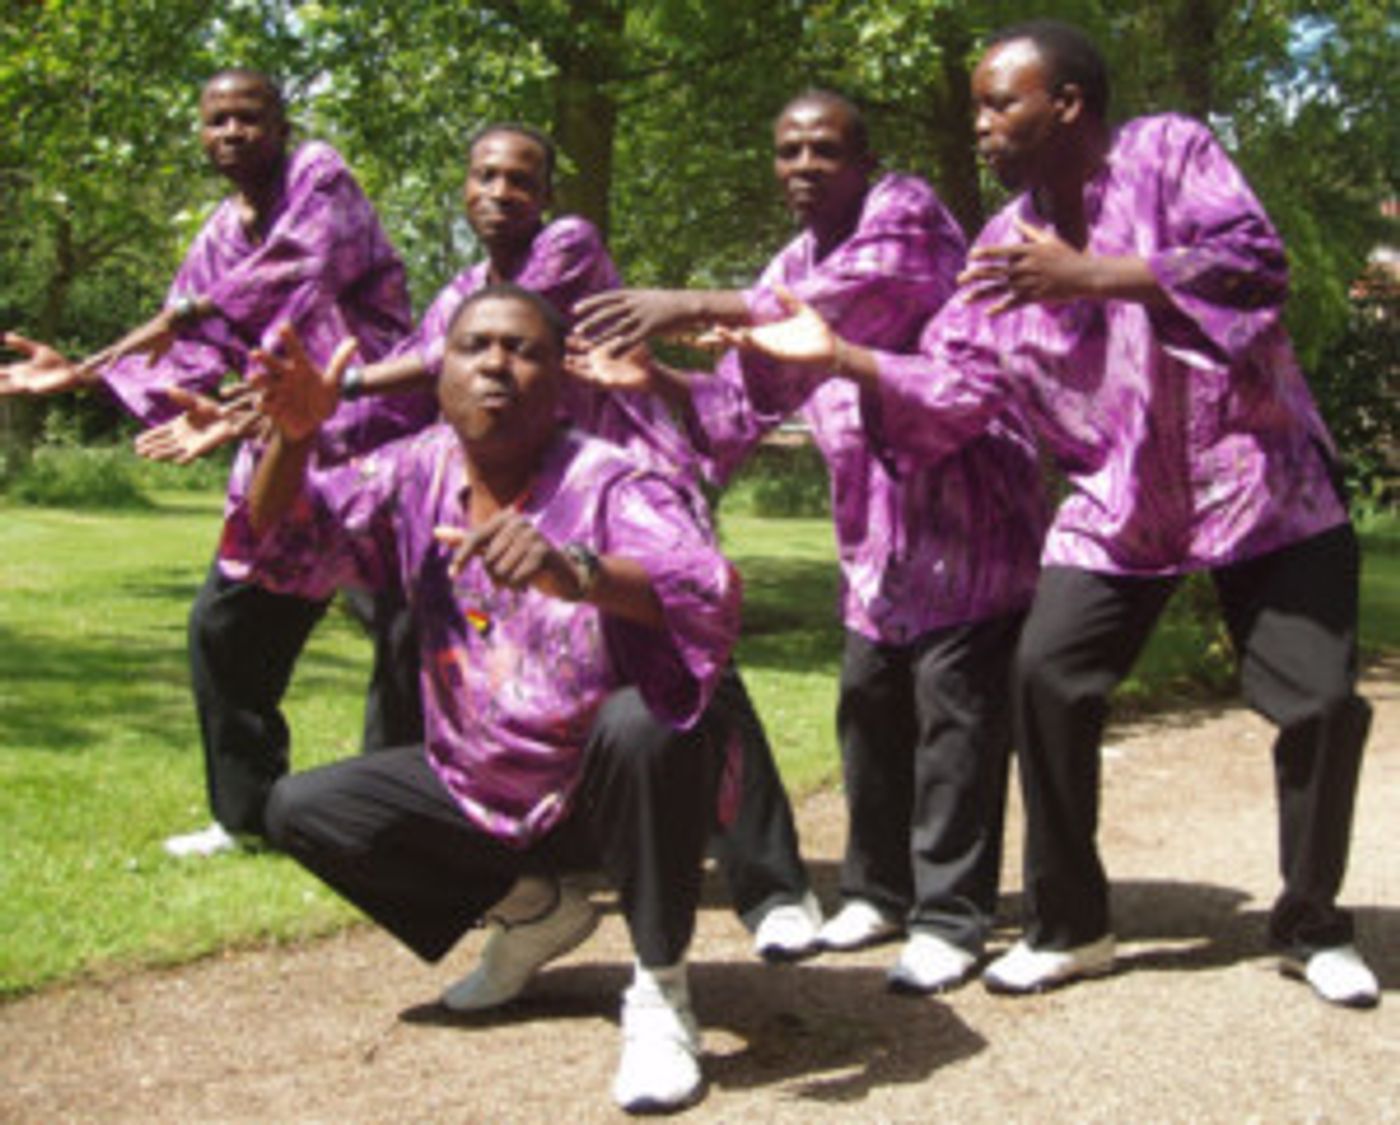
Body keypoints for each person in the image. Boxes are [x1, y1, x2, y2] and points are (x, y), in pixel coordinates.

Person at [713, 22, 1379, 1009]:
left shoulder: (1165, 150)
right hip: (1119, 503)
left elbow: (1251, 267)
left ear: (1063, 104)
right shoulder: (993, 248)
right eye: (978, 106)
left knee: (1318, 703)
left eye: (997, 102)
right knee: (1045, 674)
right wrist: (841, 359)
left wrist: (1091, 276)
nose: (978, 123)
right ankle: (1073, 925)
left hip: (1260, 483)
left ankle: (1309, 925)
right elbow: (955, 383)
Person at [575, 89, 1047, 993]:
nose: (802, 166)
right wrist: (659, 381)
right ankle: (878, 891)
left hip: (973, 516)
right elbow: (739, 403)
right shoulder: (789, 261)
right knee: (870, 709)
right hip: (880, 540)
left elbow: (838, 305)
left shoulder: (905, 214)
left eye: (825, 150)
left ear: (865, 161)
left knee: (956, 721)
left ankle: (953, 915)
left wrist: (682, 299)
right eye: (787, 150)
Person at [227, 285, 740, 1112]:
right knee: (298, 807)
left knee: (645, 721)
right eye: (474, 346)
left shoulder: (615, 479)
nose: (496, 362)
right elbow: (282, 548)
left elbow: (705, 590)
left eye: (524, 348)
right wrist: (295, 439)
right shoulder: (411, 469)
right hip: (482, 786)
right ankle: (534, 910)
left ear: (561, 380)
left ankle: (660, 986)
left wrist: (573, 569)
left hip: (608, 790)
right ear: (441, 376)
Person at [331, 122, 820, 961]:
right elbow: (435, 352)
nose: (499, 193)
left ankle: (774, 888)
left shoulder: (565, 246)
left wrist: (339, 384)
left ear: (547, 196)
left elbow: (432, 357)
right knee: (427, 629)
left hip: (621, 489)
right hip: (527, 490)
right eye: (484, 176)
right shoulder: (465, 285)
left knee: (701, 671)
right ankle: (500, 851)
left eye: (520, 179)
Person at [0, 69, 435, 858]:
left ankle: (400, 818)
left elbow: (296, 268)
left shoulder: (320, 175)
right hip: (283, 457)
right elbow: (188, 354)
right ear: (200, 134)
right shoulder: (215, 235)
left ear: (281, 123)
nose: (232, 132)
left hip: (381, 444)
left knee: (406, 632)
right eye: (216, 120)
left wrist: (157, 327)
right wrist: (87, 371)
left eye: (250, 117)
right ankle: (246, 814)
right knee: (224, 626)